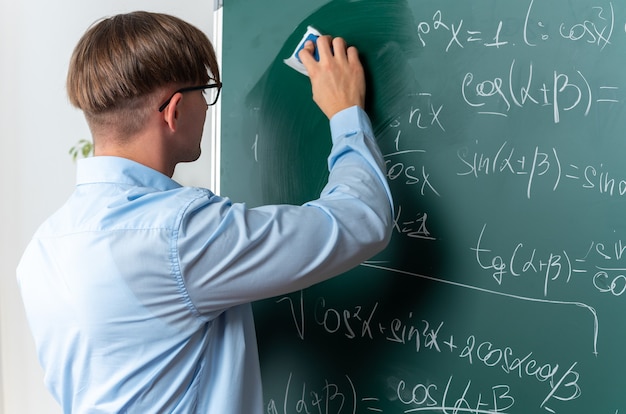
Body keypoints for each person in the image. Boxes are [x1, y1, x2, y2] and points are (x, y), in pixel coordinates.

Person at [17, 11, 393, 414]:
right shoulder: (180, 235)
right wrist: (345, 114)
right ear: (174, 111)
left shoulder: (42, 249)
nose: (209, 107)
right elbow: (360, 219)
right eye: (205, 91)